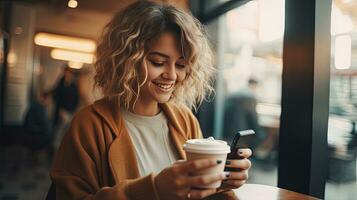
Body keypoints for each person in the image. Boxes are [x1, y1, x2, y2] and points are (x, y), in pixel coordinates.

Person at [50, 1, 252, 199]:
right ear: (127, 60)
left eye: (181, 65)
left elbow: (196, 192)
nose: (172, 75)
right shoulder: (88, 126)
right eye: (158, 62)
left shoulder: (184, 120)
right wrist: (154, 189)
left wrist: (221, 182)